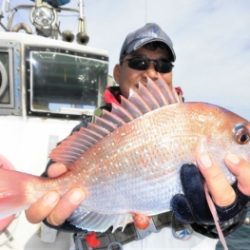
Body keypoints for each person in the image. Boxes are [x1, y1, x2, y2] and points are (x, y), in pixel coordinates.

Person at [25, 23, 250, 250]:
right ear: (117, 72)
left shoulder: (194, 121)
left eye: (163, 65)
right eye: (138, 62)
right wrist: (60, 214)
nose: (152, 72)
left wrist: (231, 210)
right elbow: (53, 181)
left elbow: (225, 221)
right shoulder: (91, 129)